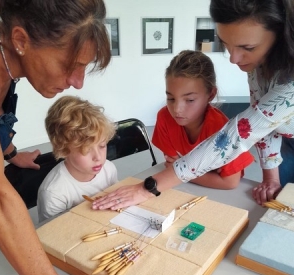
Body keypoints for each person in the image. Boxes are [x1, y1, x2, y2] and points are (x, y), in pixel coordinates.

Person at [0, 0, 113, 275]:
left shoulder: (5, 60)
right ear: (20, 39)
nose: (77, 82)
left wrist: (9, 153)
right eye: (71, 64)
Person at [91, 0, 294, 211]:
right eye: (226, 44)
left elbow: (238, 135)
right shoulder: (259, 61)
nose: (233, 59)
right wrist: (270, 177)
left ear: (282, 33)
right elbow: (265, 123)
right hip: (285, 140)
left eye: (247, 47)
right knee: (277, 210)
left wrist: (148, 188)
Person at [152, 50, 254, 190]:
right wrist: (207, 175)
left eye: (190, 100)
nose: (177, 109)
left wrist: (182, 169)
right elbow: (172, 165)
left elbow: (230, 182)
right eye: (171, 98)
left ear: (211, 94)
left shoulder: (222, 130)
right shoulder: (164, 117)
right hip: (184, 189)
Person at [37, 96, 118, 222]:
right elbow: (54, 234)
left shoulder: (108, 169)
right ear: (63, 149)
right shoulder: (54, 193)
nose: (98, 157)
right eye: (86, 150)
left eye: (102, 146)